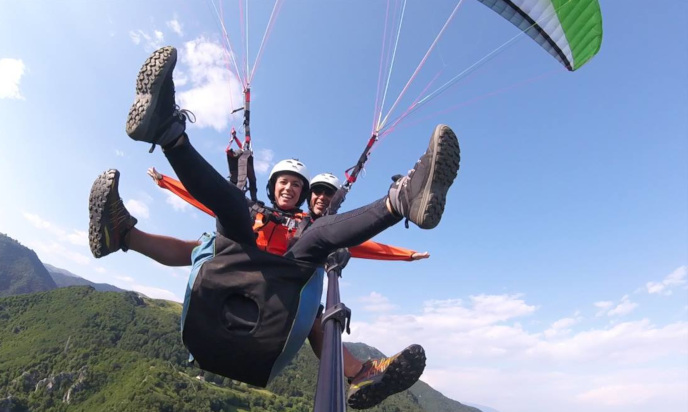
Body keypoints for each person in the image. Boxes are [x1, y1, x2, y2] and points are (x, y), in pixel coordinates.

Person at [91, 45, 460, 409]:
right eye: (284, 182)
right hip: (228, 280)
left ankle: (402, 202)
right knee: (218, 228)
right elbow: (204, 197)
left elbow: (361, 245)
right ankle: (155, 160)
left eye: (297, 185)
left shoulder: (309, 228)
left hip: (277, 308)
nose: (290, 187)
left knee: (314, 237)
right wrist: (164, 182)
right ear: (272, 186)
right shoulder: (250, 212)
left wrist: (407, 255)